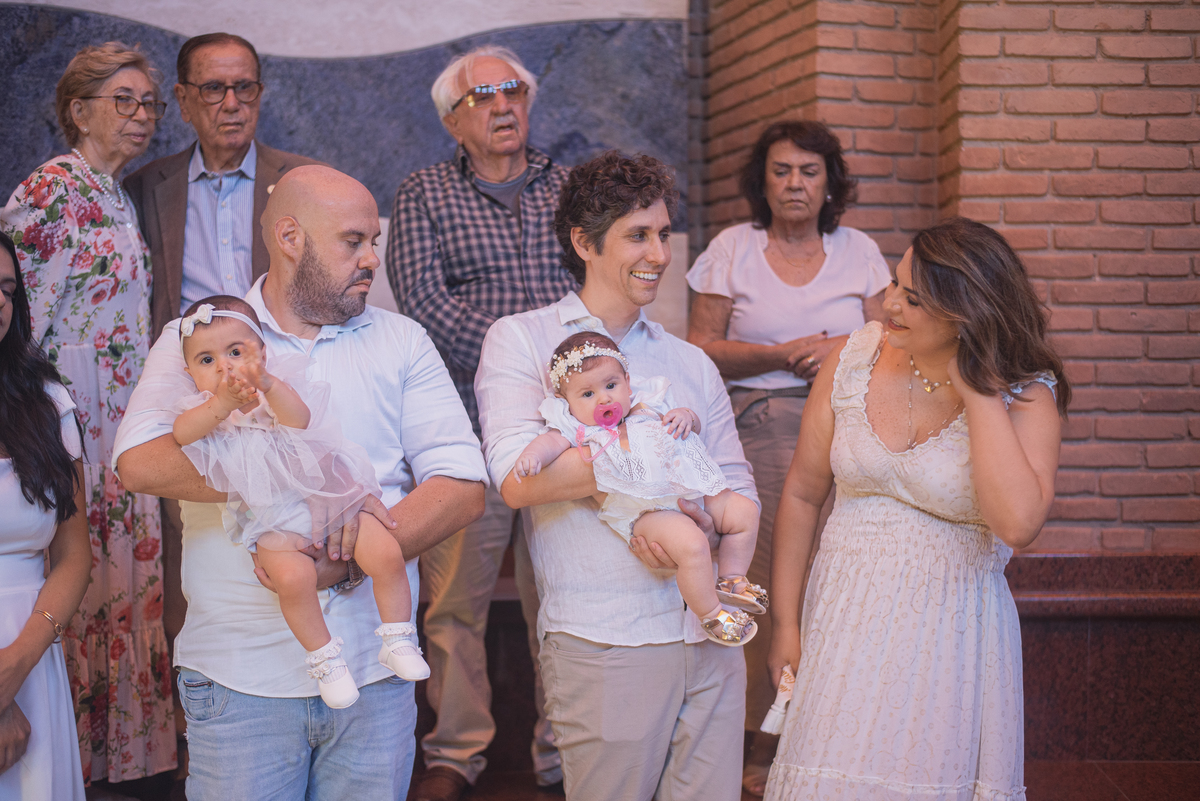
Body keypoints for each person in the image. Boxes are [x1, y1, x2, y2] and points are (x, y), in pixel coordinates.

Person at [112, 165, 487, 798]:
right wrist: (299, 480)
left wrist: (350, 559)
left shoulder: (402, 340)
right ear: (290, 236)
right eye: (353, 241)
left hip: (376, 676)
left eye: (374, 240)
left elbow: (463, 483)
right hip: (239, 680)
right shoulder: (200, 339)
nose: (372, 258)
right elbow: (139, 463)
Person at [476, 151, 757, 800]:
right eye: (638, 235)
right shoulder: (521, 339)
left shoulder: (689, 361)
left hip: (709, 633)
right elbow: (518, 480)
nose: (658, 253)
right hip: (606, 638)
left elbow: (735, 485)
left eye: (663, 234)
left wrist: (701, 515)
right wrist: (645, 470)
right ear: (584, 242)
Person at [763, 217, 1069, 801]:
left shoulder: (1025, 394)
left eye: (913, 297)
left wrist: (977, 387)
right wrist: (786, 624)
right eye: (896, 283)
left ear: (966, 313)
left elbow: (1017, 524)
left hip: (951, 637)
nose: (889, 303)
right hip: (842, 623)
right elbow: (803, 495)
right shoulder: (852, 358)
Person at [386, 43, 575, 800]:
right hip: (465, 431)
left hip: (569, 431)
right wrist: (521, 366)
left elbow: (595, 294)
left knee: (566, 593)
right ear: (451, 118)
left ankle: (563, 750)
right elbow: (425, 306)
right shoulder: (425, 192)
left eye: (514, 90)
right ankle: (456, 753)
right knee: (454, 603)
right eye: (483, 96)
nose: (504, 105)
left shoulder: (571, 188)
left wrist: (554, 385)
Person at [684, 119, 890, 795]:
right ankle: (766, 740)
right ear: (761, 180)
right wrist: (782, 353)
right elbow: (701, 346)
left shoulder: (858, 250)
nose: (795, 183)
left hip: (853, 418)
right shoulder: (731, 249)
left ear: (829, 181)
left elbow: (894, 338)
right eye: (781, 170)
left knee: (847, 572)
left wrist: (835, 349)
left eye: (809, 170)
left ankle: (837, 733)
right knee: (779, 577)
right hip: (763, 416)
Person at [123, 32, 322, 700]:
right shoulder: (148, 187)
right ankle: (199, 705)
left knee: (292, 526)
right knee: (193, 545)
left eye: (245, 88)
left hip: (278, 368)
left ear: (261, 96)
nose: (232, 103)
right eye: (214, 88)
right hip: (193, 377)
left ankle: (307, 675)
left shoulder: (300, 181)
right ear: (183, 100)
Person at [0, 42, 177, 784]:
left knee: (119, 585)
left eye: (149, 104)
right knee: (83, 576)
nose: (142, 118)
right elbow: (18, 326)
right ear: (78, 110)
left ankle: (113, 763)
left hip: (120, 418)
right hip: (73, 417)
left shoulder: (111, 191)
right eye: (124, 101)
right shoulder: (51, 191)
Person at [167, 296, 427, 707]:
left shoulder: (280, 387)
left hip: (331, 500)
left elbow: (299, 421)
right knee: (292, 580)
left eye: (236, 352)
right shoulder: (204, 409)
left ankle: (397, 637)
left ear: (262, 354)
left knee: (385, 552)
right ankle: (326, 660)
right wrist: (222, 405)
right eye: (206, 360)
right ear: (189, 373)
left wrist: (268, 386)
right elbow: (182, 434)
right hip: (272, 519)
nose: (225, 367)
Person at [514, 330, 764, 645]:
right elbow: (550, 442)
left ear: (628, 382)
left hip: (692, 487)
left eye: (611, 386)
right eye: (587, 394)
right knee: (693, 546)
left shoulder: (649, 402)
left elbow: (692, 424)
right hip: (648, 509)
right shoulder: (577, 427)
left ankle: (732, 578)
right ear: (567, 403)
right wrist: (532, 457)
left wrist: (686, 416)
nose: (604, 398)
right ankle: (713, 615)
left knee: (743, 512)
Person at [0, 231, 92, 800]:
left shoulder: (47, 401)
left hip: (30, 656)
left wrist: (15, 670)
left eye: (7, 289)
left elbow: (73, 555)